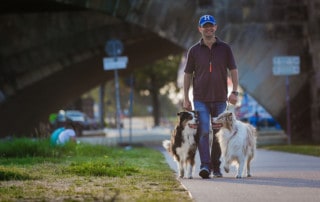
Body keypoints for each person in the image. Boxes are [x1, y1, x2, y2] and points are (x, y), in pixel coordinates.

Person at [183, 14, 239, 179]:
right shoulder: (193, 50)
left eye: (211, 25)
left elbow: (234, 70)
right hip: (200, 98)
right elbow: (187, 74)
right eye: (205, 26)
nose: (208, 28)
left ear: (215, 27)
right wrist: (186, 97)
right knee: (203, 131)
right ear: (200, 29)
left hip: (221, 98)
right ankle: (205, 166)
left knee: (218, 134)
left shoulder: (225, 48)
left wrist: (234, 91)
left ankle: (216, 166)